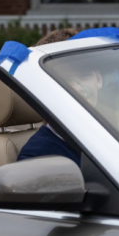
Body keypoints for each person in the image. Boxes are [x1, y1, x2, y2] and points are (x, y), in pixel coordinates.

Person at [16, 29, 84, 164]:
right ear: (44, 89)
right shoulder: (36, 157)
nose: (79, 88)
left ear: (99, 78)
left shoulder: (112, 140)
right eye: (65, 79)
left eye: (84, 76)